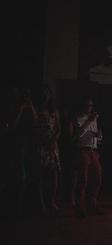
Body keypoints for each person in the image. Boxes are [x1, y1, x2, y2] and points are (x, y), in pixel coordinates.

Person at [70, 97, 105, 218]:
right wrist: (89, 121)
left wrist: (99, 137)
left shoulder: (94, 119)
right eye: (87, 105)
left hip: (93, 150)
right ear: (83, 105)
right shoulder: (77, 118)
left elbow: (95, 136)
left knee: (97, 177)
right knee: (83, 180)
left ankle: (92, 205)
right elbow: (77, 135)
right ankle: (80, 207)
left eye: (91, 105)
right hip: (82, 150)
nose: (89, 107)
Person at [35, 85, 61, 214]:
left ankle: (51, 201)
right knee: (40, 175)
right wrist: (43, 140)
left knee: (53, 174)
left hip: (52, 145)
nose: (45, 95)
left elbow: (58, 129)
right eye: (43, 93)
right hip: (40, 144)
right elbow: (34, 129)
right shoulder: (37, 110)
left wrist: (53, 141)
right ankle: (41, 203)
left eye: (47, 93)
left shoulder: (54, 111)